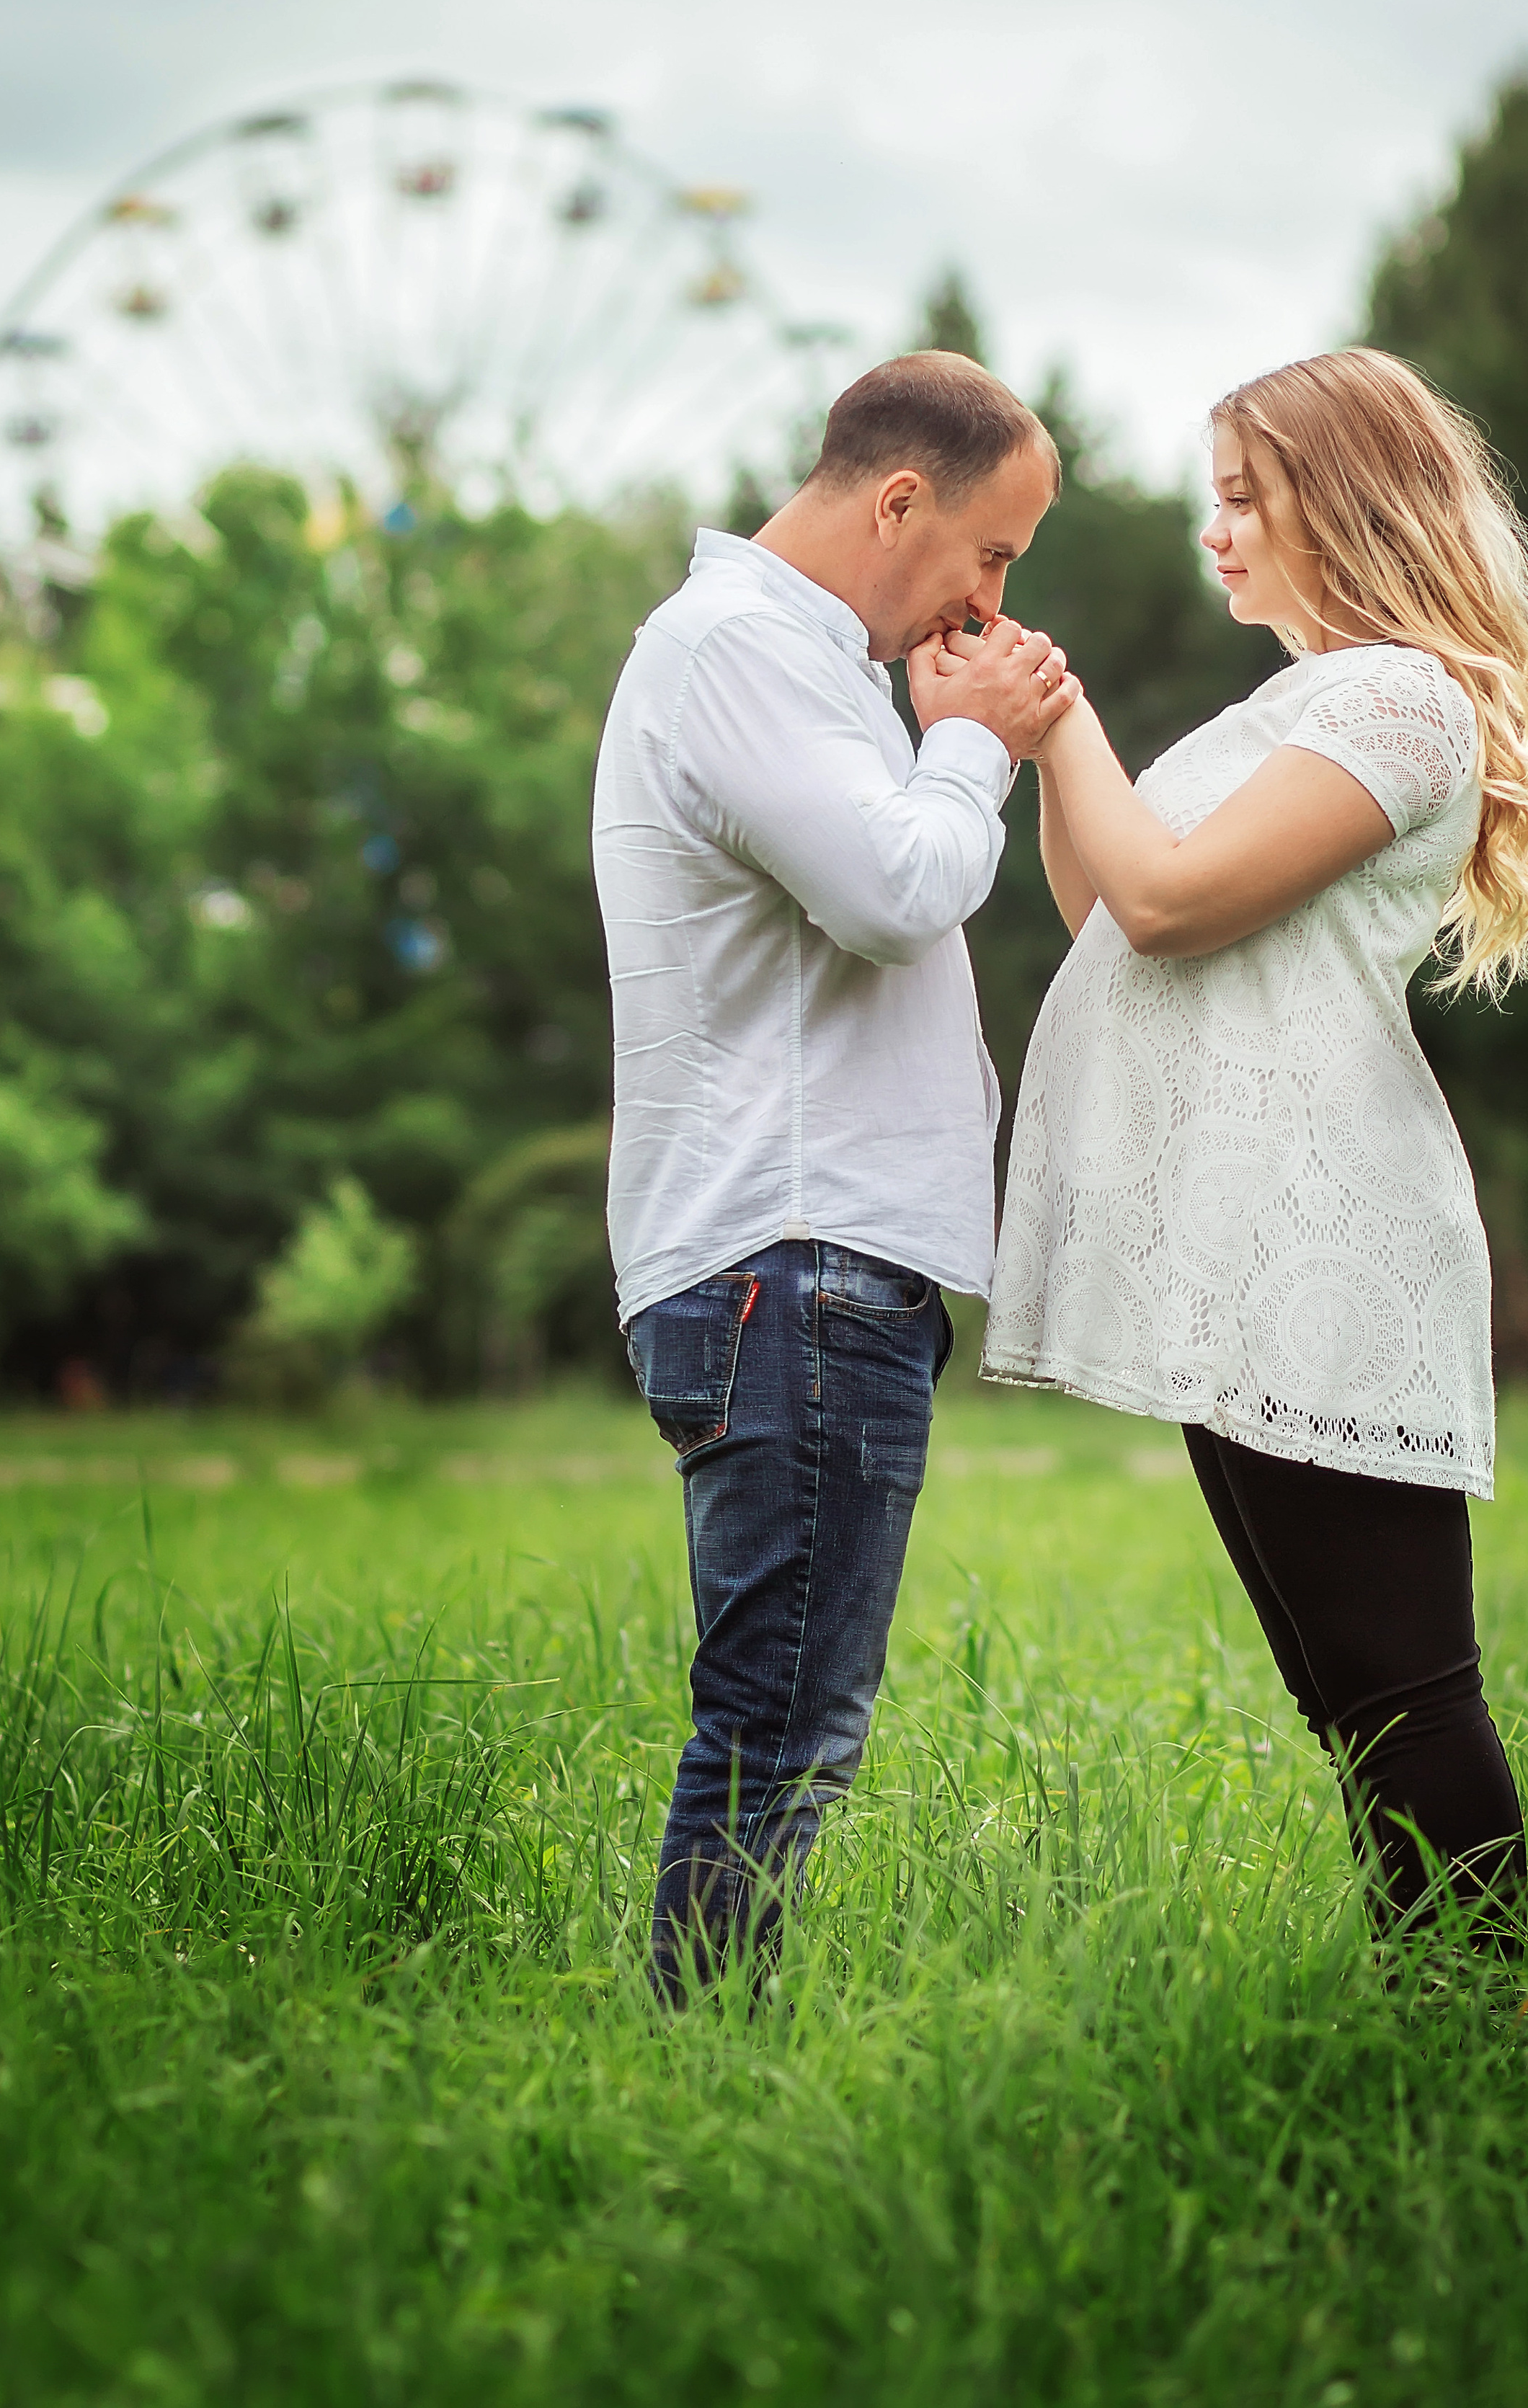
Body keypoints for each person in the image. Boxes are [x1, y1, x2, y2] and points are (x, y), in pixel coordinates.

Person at [954, 347, 1528, 1947]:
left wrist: (1064, 718)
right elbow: (1101, 906)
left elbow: (1163, 905)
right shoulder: (1295, 700)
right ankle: (1434, 2021)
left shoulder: (1395, 697)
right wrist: (1046, 750)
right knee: (1342, 1695)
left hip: (1324, 1241)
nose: (1214, 532)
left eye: (1244, 498)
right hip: (1235, 1244)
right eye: (1208, 502)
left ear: (1349, 502)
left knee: (1399, 1692)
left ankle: (1474, 2024)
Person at [592, 351, 1078, 1999]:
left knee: (791, 1716)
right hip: (787, 1265)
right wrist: (974, 745)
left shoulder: (794, 665)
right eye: (991, 553)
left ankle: (706, 2063)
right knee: (781, 1726)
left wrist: (935, 732)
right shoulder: (741, 652)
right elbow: (893, 890)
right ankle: (701, 2079)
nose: (991, 594)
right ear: (896, 502)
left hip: (796, 1268)